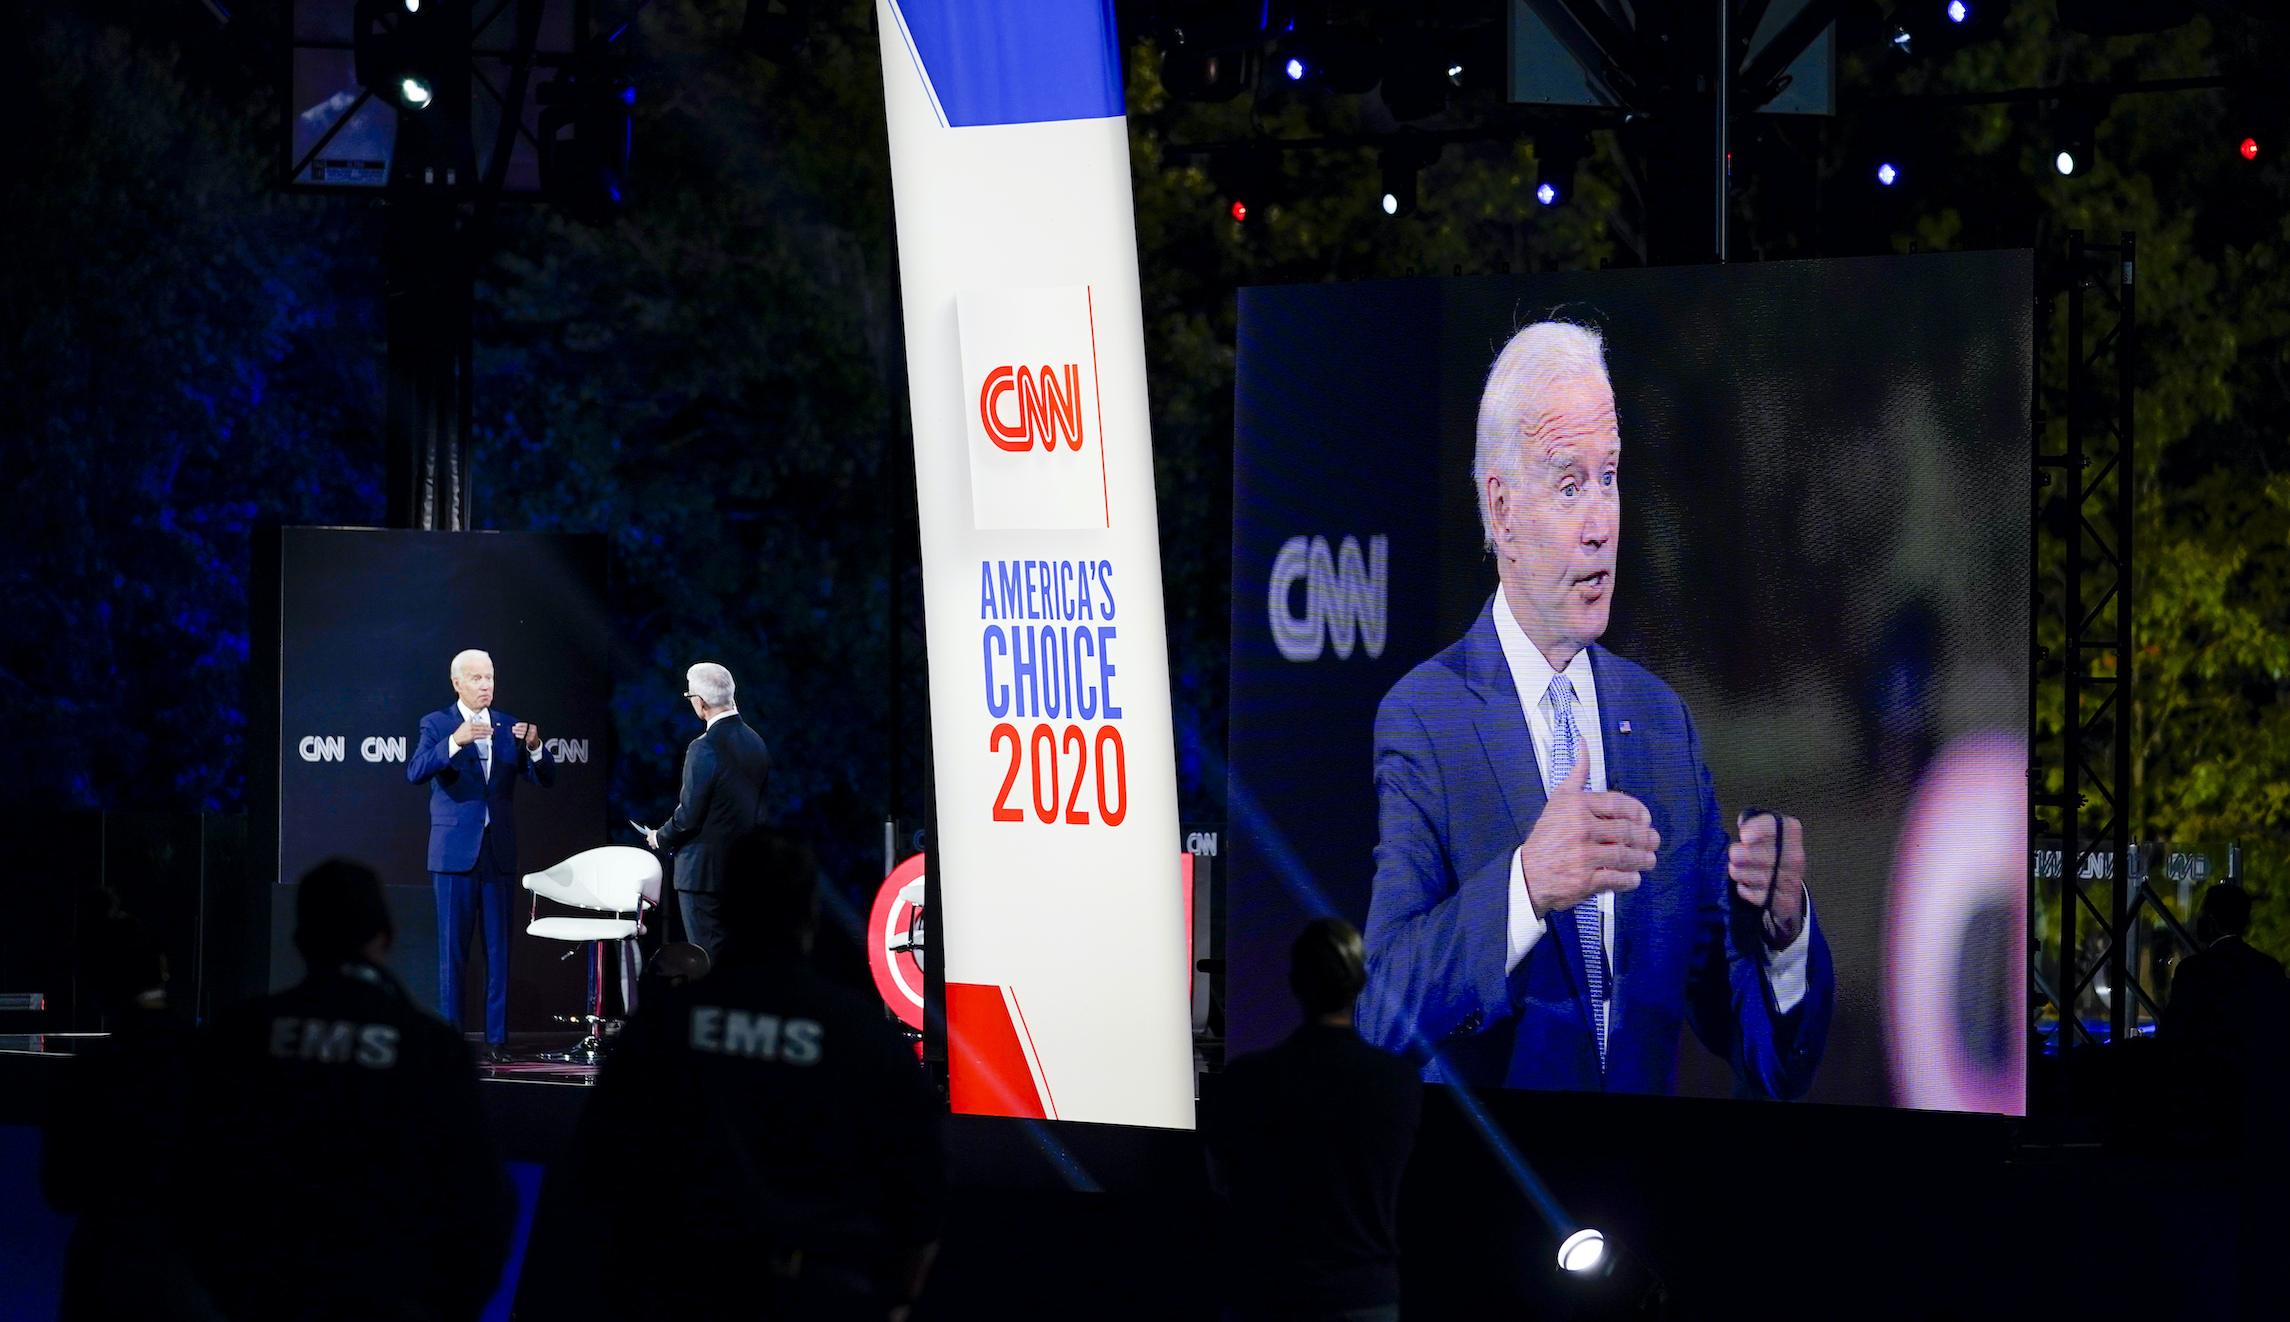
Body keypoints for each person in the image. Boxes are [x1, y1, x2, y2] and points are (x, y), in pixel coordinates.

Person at [1358, 320, 1835, 1096]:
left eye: (1610, 476)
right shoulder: (1426, 718)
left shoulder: (1660, 726)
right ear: (1502, 507)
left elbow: (1757, 1048)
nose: (1601, 524)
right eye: (1569, 484)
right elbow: (1384, 1009)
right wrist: (1526, 885)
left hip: (1639, 1196)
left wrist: (1783, 935)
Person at [578, 833, 943, 1321]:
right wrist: (897, 1300)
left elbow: (596, 1169)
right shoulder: (862, 1036)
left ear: (724, 910)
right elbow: (924, 1186)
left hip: (680, 1296)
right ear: (812, 915)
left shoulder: (662, 1028)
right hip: (821, 1298)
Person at [184, 858, 515, 1322]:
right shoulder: (430, 1046)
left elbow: (194, 1178)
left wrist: (233, 1293)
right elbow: (481, 1201)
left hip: (262, 1302)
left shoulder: (240, 1033)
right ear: (386, 935)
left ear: (300, 939)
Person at [1208, 918, 1423, 1322]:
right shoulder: (1400, 1081)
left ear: (1297, 982)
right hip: (1364, 1300)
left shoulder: (1248, 1078)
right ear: (1360, 982)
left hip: (1267, 1294)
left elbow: (1222, 1182)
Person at [42, 905, 222, 1321]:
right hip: (192, 1280)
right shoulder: (215, 1061)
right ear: (162, 972)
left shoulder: (87, 1072)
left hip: (105, 1279)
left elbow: (60, 1190)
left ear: (95, 985)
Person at [406, 647, 556, 1062]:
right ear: (457, 683)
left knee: (498, 951)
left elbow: (546, 778)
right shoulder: (436, 724)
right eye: (476, 678)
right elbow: (415, 771)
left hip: (498, 854)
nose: (485, 685)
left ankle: (496, 1040)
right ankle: (450, 1042)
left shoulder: (510, 726)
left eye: (489, 677)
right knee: (452, 952)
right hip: (454, 856)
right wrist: (456, 741)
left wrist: (537, 745)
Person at [640, 661, 772, 959]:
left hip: (703, 877)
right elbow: (759, 813)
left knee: (708, 961)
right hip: (743, 871)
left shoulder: (704, 747)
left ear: (700, 702)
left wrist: (660, 837)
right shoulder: (756, 742)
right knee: (738, 961)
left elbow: (688, 816)